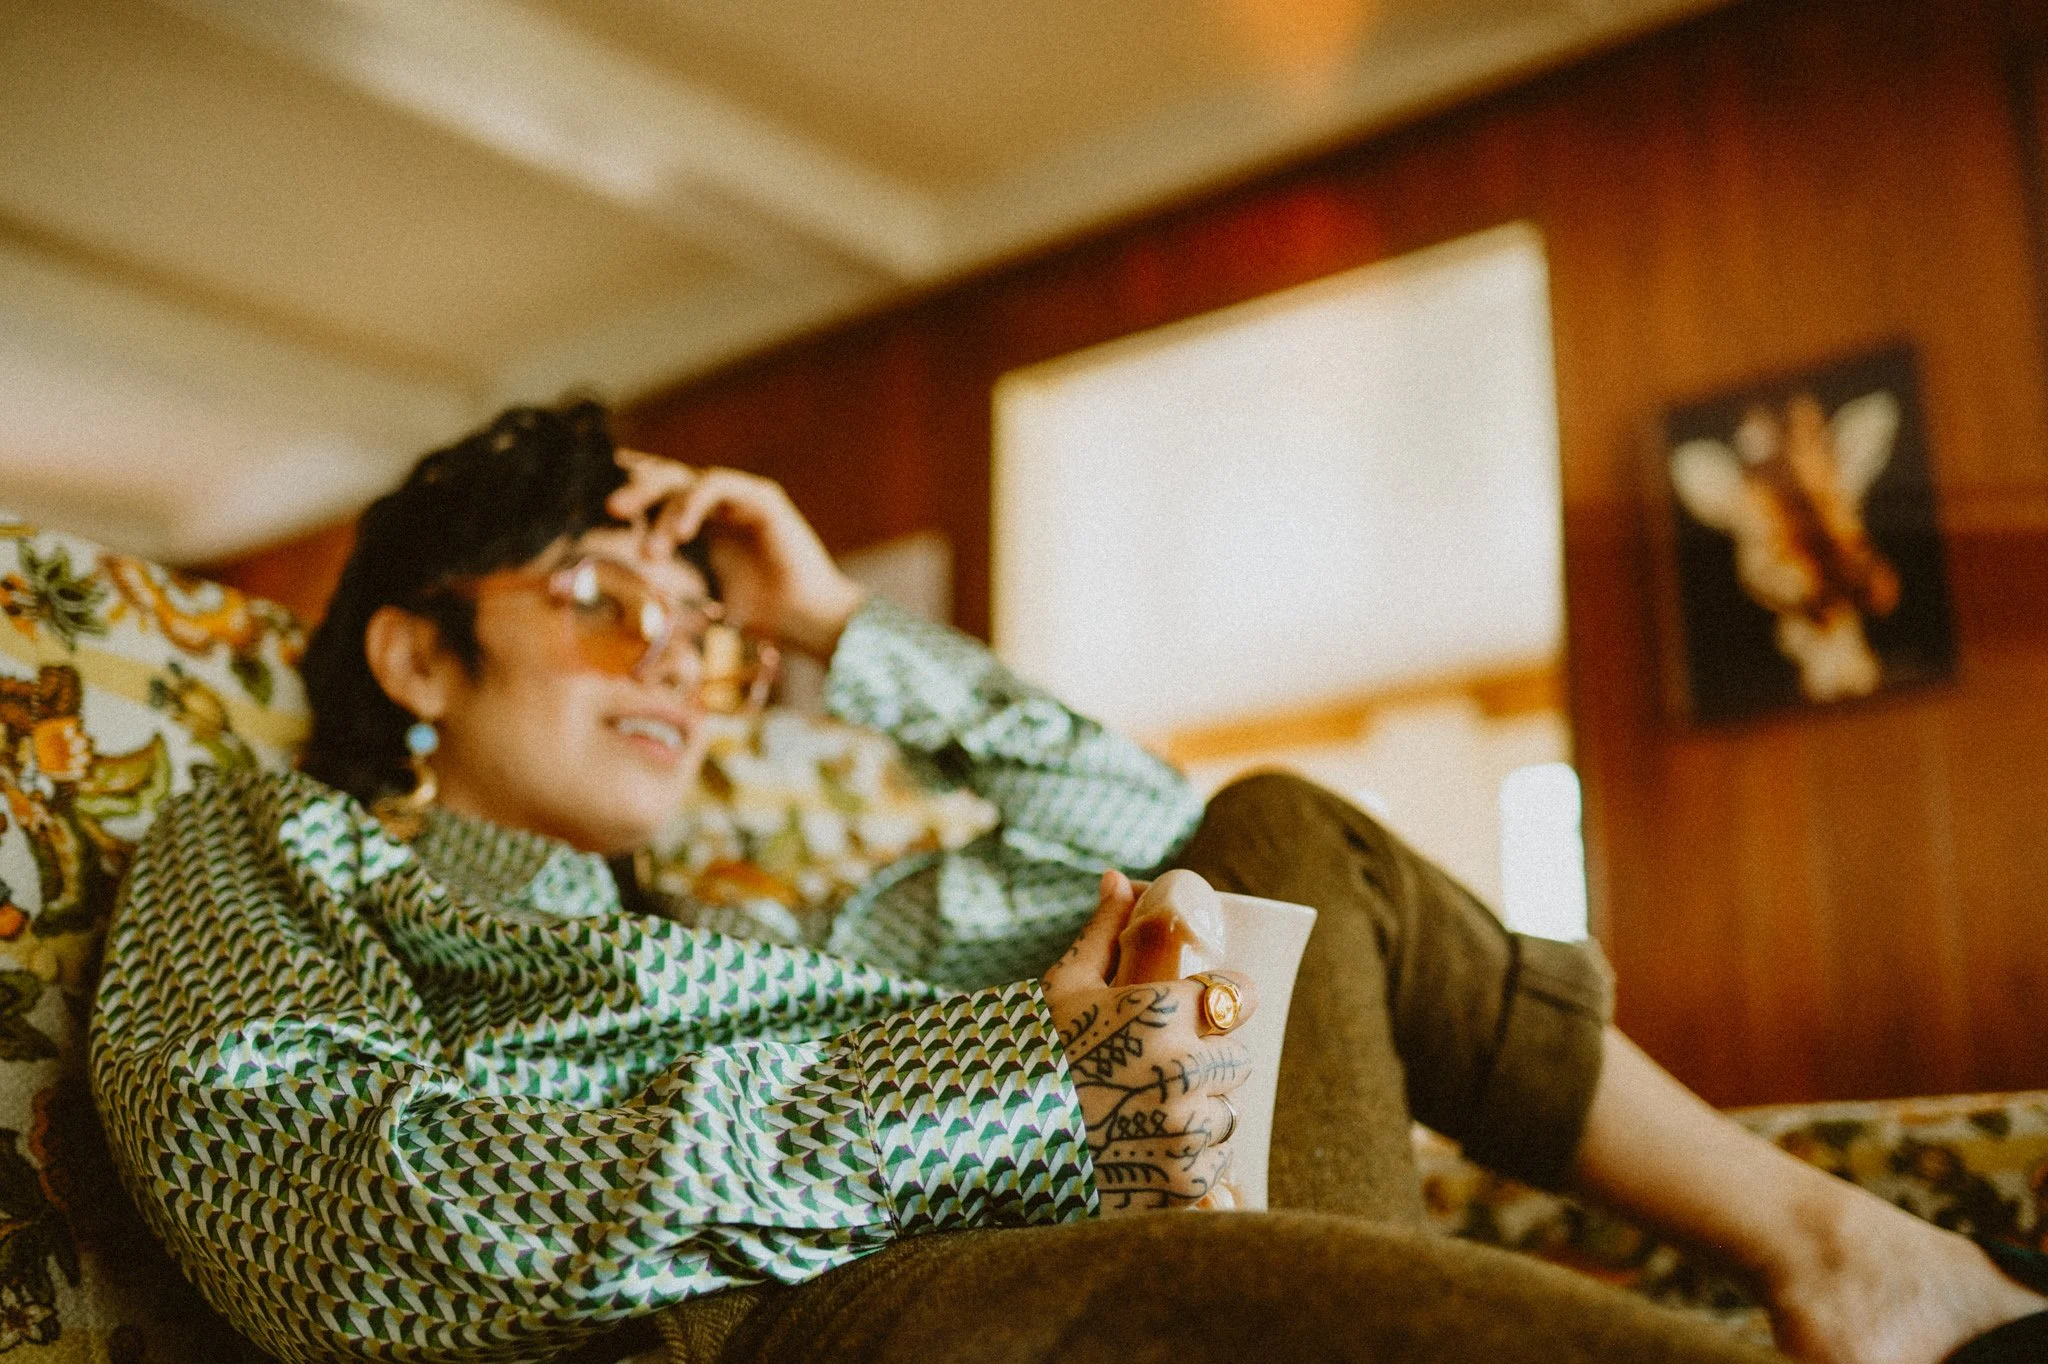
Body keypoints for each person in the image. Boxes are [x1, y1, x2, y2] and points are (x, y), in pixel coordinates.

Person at [88, 402, 2044, 1364]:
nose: (677, 663)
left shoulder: (789, 934)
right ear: (420, 656)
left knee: (1271, 832)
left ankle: (1829, 1247)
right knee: (1198, 1246)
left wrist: (840, 627)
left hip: (1133, 1250)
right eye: (602, 605)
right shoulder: (265, 843)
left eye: (697, 631)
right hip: (735, 1336)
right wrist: (1015, 1072)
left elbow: (1161, 824)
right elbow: (329, 1220)